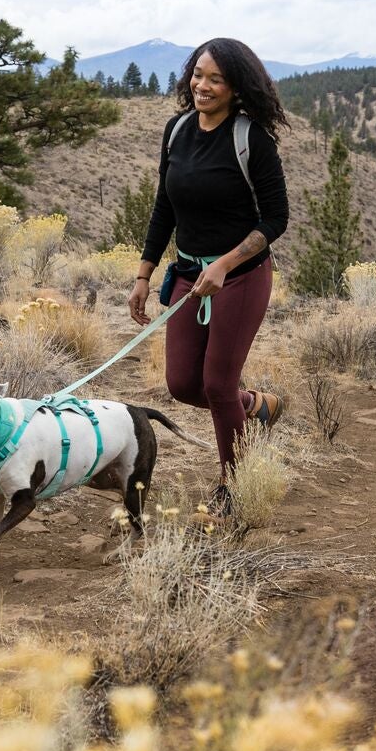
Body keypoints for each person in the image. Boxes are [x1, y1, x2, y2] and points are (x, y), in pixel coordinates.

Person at [128, 37, 289, 517]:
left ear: (236, 87)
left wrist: (225, 263)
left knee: (218, 385)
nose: (203, 85)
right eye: (198, 74)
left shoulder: (251, 140)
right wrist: (143, 274)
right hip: (189, 274)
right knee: (181, 383)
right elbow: (165, 205)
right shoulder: (177, 130)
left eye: (216, 79)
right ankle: (256, 407)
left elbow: (276, 218)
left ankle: (234, 486)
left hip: (240, 276)